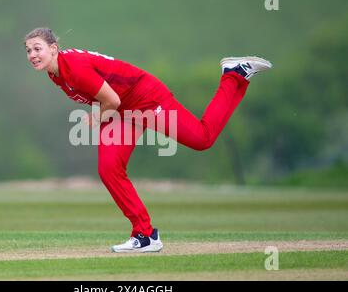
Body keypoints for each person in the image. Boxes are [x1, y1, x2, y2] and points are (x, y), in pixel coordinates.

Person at [24, 27, 272, 253]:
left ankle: (233, 75)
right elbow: (111, 100)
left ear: (53, 49)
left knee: (202, 138)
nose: (33, 54)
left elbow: (112, 101)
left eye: (38, 48)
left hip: (144, 98)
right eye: (28, 51)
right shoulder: (55, 73)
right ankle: (145, 235)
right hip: (123, 109)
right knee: (109, 169)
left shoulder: (73, 68)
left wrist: (96, 118)